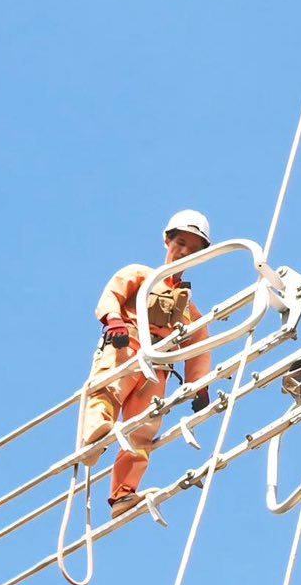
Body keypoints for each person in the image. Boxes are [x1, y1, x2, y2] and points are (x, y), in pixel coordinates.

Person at [79, 209, 214, 515]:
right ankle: (94, 434)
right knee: (108, 390)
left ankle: (124, 494)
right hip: (127, 344)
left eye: (193, 250)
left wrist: (198, 387)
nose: (185, 252)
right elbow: (112, 293)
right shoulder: (141, 275)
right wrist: (113, 319)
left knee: (143, 429)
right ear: (167, 240)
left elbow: (199, 349)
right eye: (181, 243)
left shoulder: (190, 310)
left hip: (159, 366)